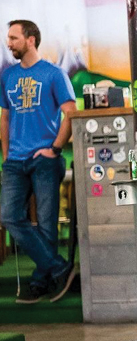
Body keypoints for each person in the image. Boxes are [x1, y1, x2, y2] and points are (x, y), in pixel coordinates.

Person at [0, 20, 77, 304]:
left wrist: (55, 150)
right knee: (8, 216)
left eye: (13, 38)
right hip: (15, 161)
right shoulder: (7, 77)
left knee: (46, 223)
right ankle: (58, 268)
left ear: (31, 40)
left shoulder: (55, 74)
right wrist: (7, 155)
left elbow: (71, 112)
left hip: (45, 158)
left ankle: (41, 281)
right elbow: (5, 117)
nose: (8, 43)